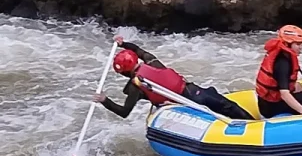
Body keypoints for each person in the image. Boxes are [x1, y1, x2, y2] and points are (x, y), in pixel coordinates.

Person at [93, 36, 253, 121]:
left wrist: (104, 100)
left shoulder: (136, 87)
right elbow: (139, 50)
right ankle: (253, 122)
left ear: (122, 73)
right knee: (228, 106)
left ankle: (254, 129)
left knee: (222, 107)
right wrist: (123, 44)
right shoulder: (152, 62)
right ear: (136, 60)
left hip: (187, 104)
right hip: (194, 92)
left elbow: (124, 112)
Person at [255, 25, 302, 118]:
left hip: (266, 102)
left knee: (297, 86)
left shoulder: (280, 54)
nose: (300, 47)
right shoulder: (283, 63)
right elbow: (284, 94)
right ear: (287, 44)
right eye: (297, 44)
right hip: (272, 107)